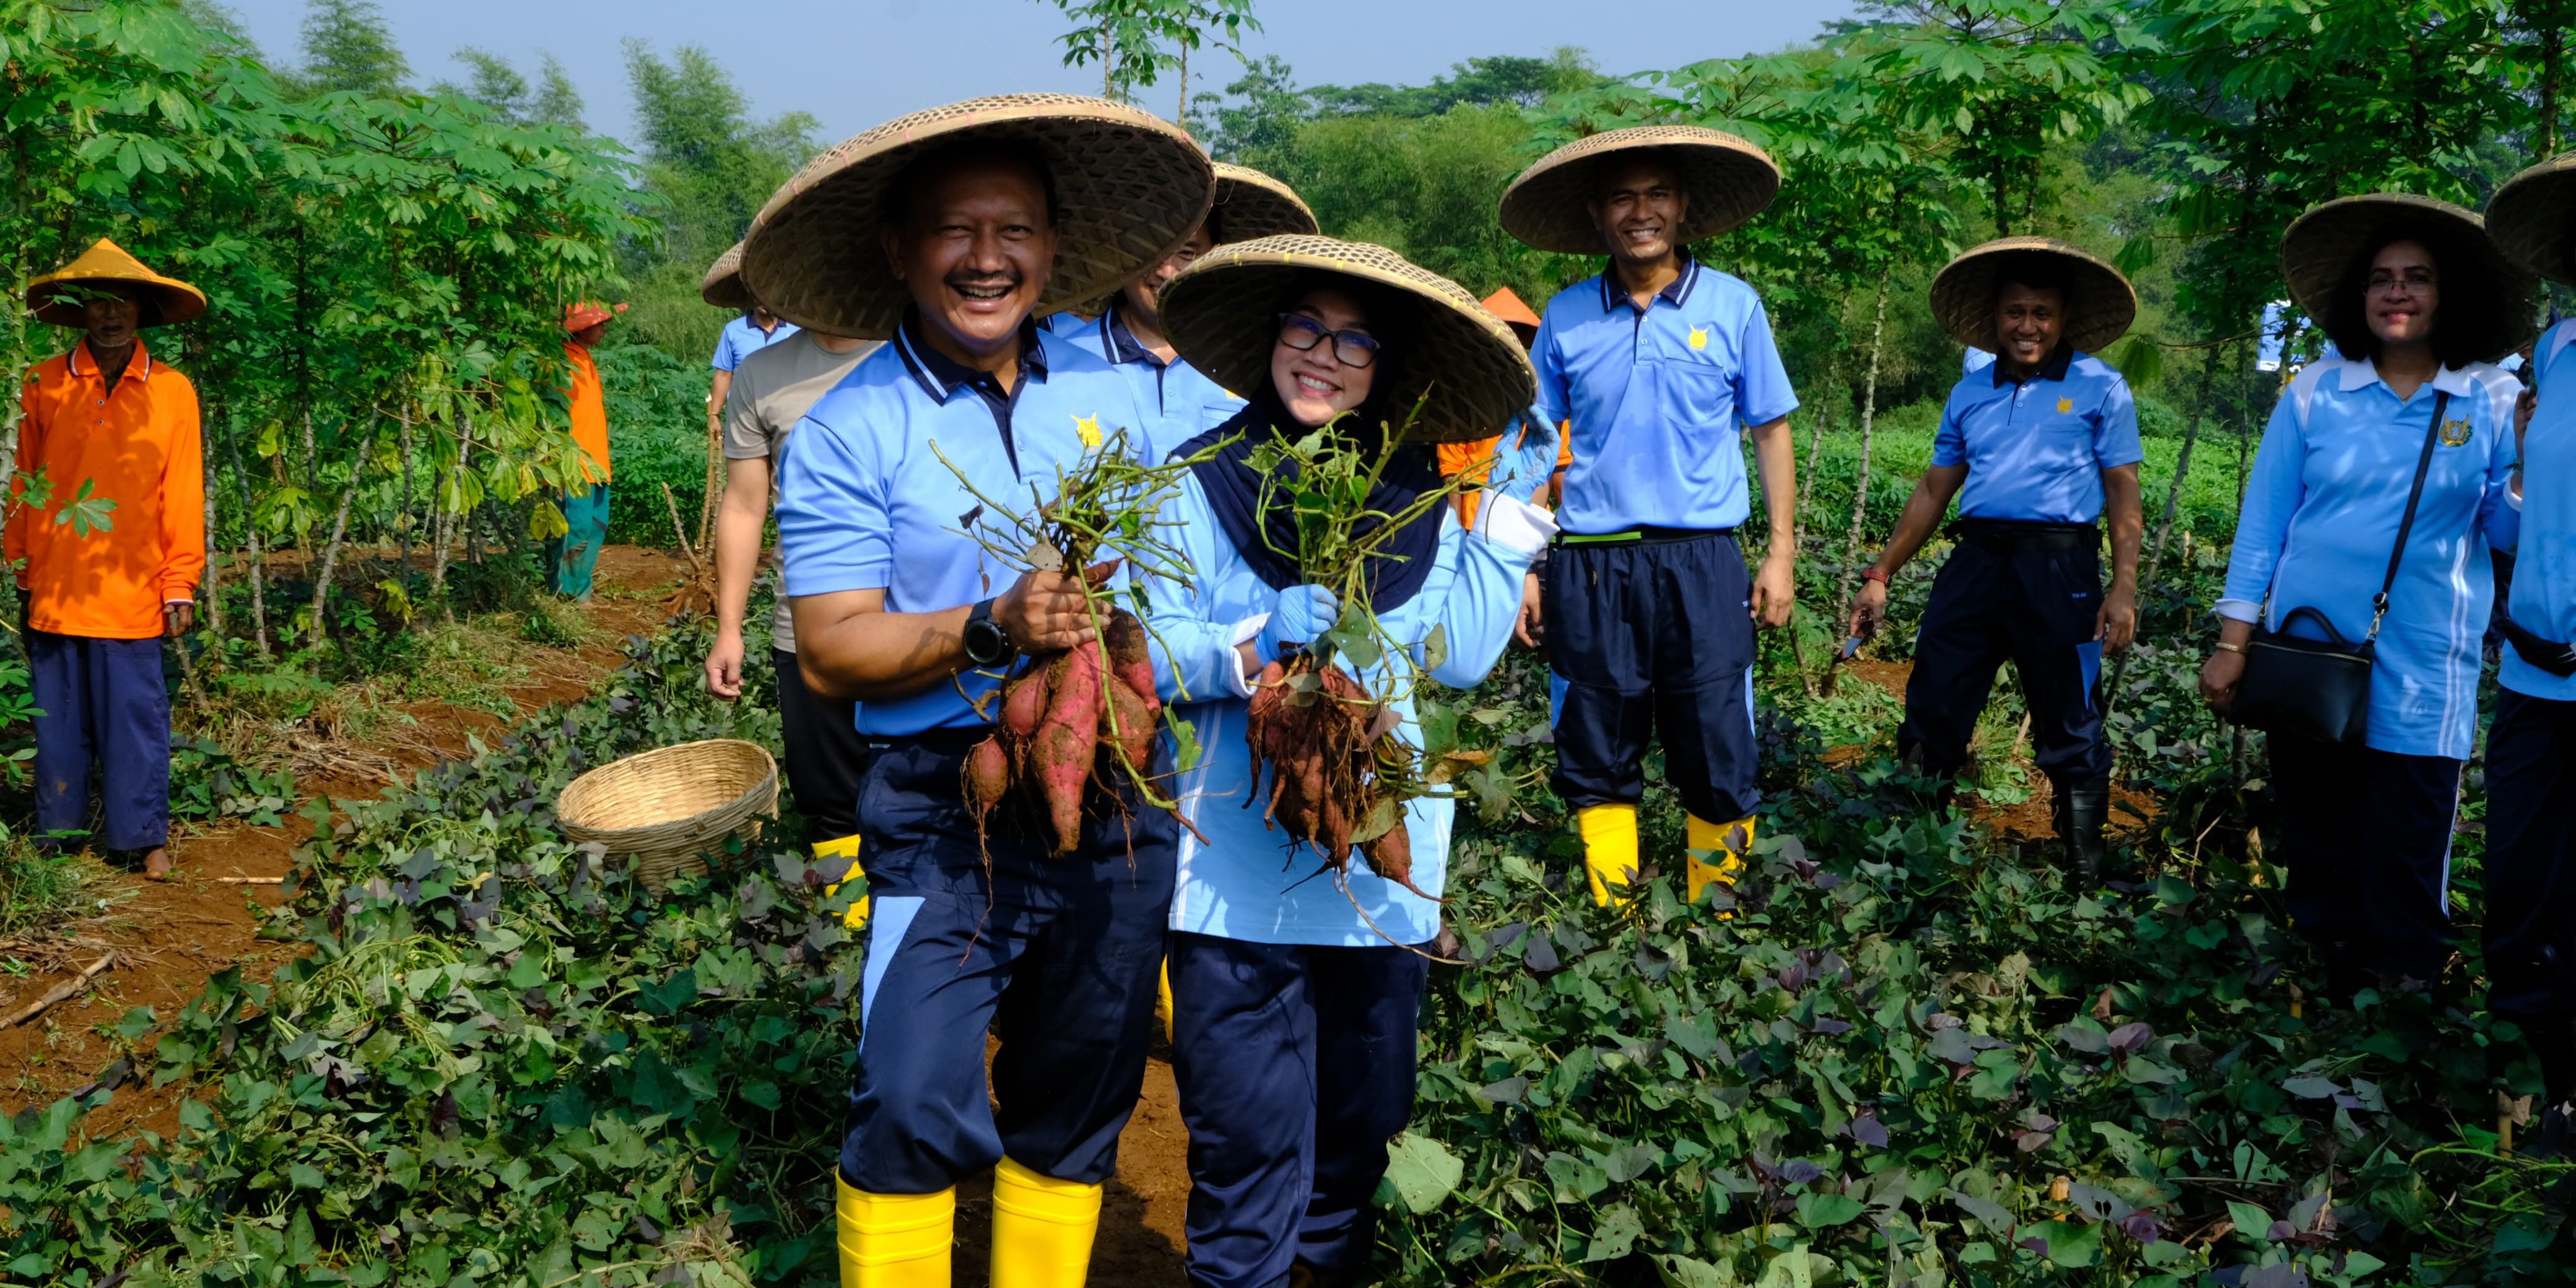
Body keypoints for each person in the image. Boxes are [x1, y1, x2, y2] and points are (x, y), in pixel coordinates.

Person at [750, 93, 1213, 1288]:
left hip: (1115, 788)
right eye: (956, 229)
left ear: (1056, 251)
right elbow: (831, 648)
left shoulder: (1132, 394)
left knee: (1085, 1081)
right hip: (946, 797)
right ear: (903, 250)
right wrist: (990, 626)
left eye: (1014, 230)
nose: (987, 256)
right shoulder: (852, 428)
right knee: (909, 1090)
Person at [1143, 235, 1559, 1288]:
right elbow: (1140, 644)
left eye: (1355, 343)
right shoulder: (1198, 481)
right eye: (1305, 329)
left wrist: (1505, 526)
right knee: (1244, 1148)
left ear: (1386, 370)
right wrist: (1245, 646)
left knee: (1354, 1143)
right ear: (1269, 340)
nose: (1324, 356)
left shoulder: (1415, 496)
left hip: (1378, 870)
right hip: (1231, 881)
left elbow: (1458, 659)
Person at [2199, 193, 2531, 1002]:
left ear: (2447, 295)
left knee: (2409, 839)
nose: (2398, 293)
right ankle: (2336, 985)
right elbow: (2263, 528)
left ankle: (2412, 992)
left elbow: (2507, 535)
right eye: (2382, 279)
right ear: (2361, 295)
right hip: (2307, 657)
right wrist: (2233, 642)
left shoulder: (2486, 396)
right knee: (2320, 835)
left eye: (2417, 278)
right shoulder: (2316, 392)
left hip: (2424, 665)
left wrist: (2524, 463)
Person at [1497, 124, 1801, 906]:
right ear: (1597, 214)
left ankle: (1717, 917)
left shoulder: (1733, 306)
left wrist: (1779, 554)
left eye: (1656, 194)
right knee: (1595, 737)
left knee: (1716, 737)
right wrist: (1524, 567)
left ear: (1682, 206)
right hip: (1590, 563)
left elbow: (1769, 428)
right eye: (1623, 197)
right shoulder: (1566, 316)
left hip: (1702, 559)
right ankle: (1613, 916)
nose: (1641, 212)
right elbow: (1533, 445)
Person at [1845, 238, 2145, 882]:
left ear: (2062, 318)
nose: (2027, 326)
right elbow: (1933, 489)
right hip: (1976, 562)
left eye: (2041, 312)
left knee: (2068, 712)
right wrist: (1879, 574)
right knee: (1934, 698)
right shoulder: (1970, 392)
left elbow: (2122, 488)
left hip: (2059, 567)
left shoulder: (2100, 387)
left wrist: (2122, 588)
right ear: (1995, 317)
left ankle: (2084, 869)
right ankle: (1917, 851)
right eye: (2014, 312)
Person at [11, 239, 207, 880]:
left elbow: (181, 489)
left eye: (121, 300)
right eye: (97, 301)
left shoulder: (173, 390)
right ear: (79, 310)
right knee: (58, 721)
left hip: (134, 583)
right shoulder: (43, 382)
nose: (110, 314)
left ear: (142, 309)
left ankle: (141, 837)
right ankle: (60, 833)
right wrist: (19, 564)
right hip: (58, 579)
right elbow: (23, 483)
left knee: (134, 719)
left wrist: (180, 580)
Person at [695, 246, 879, 879]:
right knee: (832, 805)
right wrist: (728, 628)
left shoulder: (913, 355)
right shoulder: (763, 375)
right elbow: (744, 507)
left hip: (923, 627)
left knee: (930, 795)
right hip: (806, 631)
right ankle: (844, 951)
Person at [2478, 155, 2576, 1121]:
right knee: (2519, 879)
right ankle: (2524, 1073)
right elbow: (2518, 521)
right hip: (2536, 679)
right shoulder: (2555, 352)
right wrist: (2509, 472)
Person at [1043, 162, 1318, 450]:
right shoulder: (1061, 364)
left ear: (1214, 259)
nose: (1166, 271)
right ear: (1123, 255)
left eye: (1187, 253)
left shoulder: (1248, 368)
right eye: (1152, 252)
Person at [1438, 286, 1571, 528]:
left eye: (1513, 342)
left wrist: (1572, 532)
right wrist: (1453, 534)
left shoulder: (1545, 400)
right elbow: (1452, 474)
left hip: (1532, 519)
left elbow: (1560, 466)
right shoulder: (1462, 399)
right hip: (1479, 518)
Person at [550, 300, 624, 600]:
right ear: (582, 329)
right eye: (598, 324)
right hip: (572, 465)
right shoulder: (558, 363)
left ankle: (579, 591)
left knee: (595, 527)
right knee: (575, 529)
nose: (604, 329)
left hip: (595, 463)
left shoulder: (585, 359)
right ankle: (564, 595)